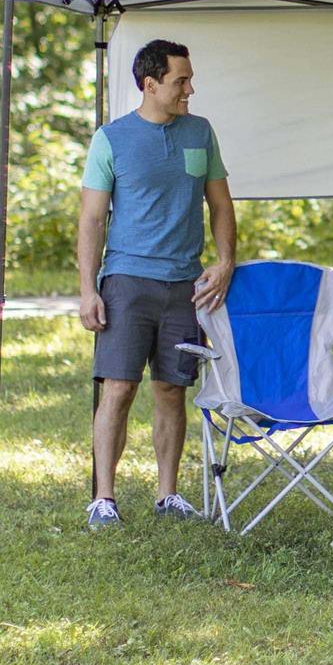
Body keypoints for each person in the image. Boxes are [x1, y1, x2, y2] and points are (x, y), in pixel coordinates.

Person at [78, 38, 236, 529]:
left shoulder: (200, 132)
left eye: (189, 80)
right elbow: (91, 219)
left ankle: (168, 494)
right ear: (150, 84)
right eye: (180, 81)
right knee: (119, 388)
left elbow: (221, 205)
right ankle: (104, 498)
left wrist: (225, 262)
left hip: (185, 285)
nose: (190, 89)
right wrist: (88, 289)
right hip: (126, 282)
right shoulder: (111, 138)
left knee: (171, 389)